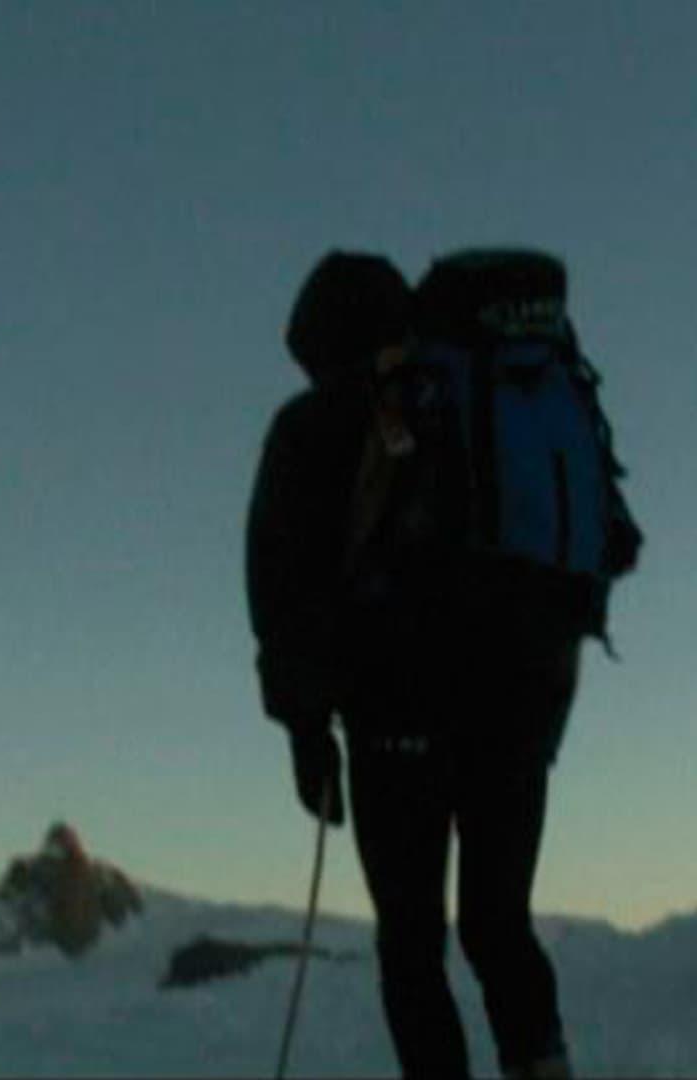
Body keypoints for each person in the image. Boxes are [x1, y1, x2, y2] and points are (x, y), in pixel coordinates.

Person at [246, 250, 613, 1078]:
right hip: (528, 697)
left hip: (398, 712)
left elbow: (284, 590)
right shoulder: (481, 397)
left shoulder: (317, 424)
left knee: (412, 946)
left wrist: (307, 732)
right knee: (498, 922)